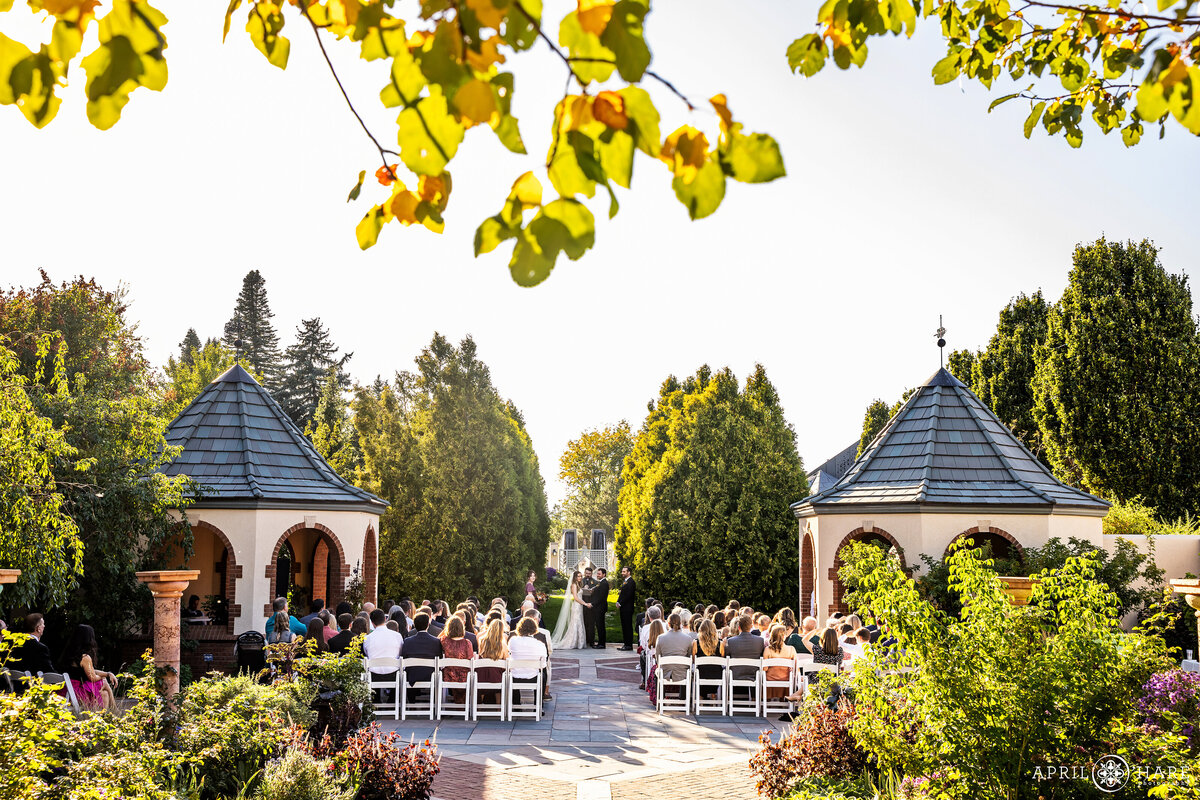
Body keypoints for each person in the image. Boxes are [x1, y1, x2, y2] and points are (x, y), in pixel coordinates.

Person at [61, 624, 117, 711]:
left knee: (104, 693)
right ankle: (114, 711)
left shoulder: (69, 654)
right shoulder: (85, 657)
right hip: (75, 693)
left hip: (66, 691)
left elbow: (91, 670)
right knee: (103, 681)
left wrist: (108, 673)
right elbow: (93, 678)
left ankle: (110, 713)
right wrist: (104, 676)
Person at [399, 612, 443, 703]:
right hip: (430, 675)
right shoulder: (436, 641)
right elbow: (439, 657)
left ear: (414, 625)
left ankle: (411, 702)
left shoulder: (407, 641)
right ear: (428, 624)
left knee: (409, 670)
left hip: (412, 676)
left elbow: (404, 657)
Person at [8, 613, 55, 692]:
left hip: (12, 688)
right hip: (31, 690)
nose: (44, 626)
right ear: (38, 629)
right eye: (43, 624)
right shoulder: (40, 648)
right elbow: (49, 673)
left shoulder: (12, 644)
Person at [508, 617, 549, 707]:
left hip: (515, 676)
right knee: (543, 675)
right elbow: (543, 664)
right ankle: (538, 705)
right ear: (535, 629)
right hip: (533, 677)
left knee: (510, 673)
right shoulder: (539, 644)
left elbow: (509, 654)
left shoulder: (513, 641)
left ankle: (516, 704)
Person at [550, 570, 591, 650]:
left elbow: (579, 593)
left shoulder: (578, 585)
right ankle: (573, 642)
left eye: (581, 576)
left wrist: (585, 588)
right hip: (576, 606)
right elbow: (576, 598)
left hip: (579, 606)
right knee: (576, 623)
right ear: (575, 577)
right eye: (578, 576)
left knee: (579, 622)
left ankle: (578, 642)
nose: (580, 578)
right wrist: (585, 604)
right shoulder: (574, 585)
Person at [722, 613, 766, 685]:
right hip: (754, 675)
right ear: (751, 626)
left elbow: (726, 657)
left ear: (739, 627)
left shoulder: (730, 641)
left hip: (735, 675)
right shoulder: (760, 641)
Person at [440, 616, 474, 704]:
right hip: (464, 677)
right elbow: (471, 660)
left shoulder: (444, 641)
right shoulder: (467, 643)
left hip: (448, 676)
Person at [475, 618, 509, 708]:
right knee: (500, 682)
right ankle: (499, 708)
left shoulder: (482, 641)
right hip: (497, 677)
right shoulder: (503, 644)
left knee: (484, 672)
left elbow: (480, 655)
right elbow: (507, 660)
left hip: (482, 675)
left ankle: (478, 706)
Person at [653, 612, 693, 687]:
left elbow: (658, 656)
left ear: (668, 624)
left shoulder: (661, 638)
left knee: (655, 671)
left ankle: (660, 695)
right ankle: (683, 696)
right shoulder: (688, 638)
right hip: (682, 672)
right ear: (680, 623)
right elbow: (689, 656)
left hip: (665, 671)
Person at [763, 624, 797, 704]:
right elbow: (796, 667)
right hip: (786, 680)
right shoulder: (791, 649)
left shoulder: (767, 649)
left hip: (769, 680)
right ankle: (783, 702)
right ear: (784, 636)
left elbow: (765, 669)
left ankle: (767, 702)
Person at [692, 619, 723, 700]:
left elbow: (693, 660)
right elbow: (722, 659)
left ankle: (700, 698)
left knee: (701, 670)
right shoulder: (721, 643)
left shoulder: (695, 643)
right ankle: (713, 695)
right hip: (717, 675)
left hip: (701, 675)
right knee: (715, 669)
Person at [616, 565, 636, 651]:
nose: (622, 573)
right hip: (623, 608)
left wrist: (620, 602)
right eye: (622, 571)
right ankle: (625, 644)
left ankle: (628, 645)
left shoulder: (631, 582)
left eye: (624, 571)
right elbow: (622, 593)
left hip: (627, 608)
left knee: (627, 626)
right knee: (624, 626)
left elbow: (628, 595)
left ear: (629, 572)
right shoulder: (625, 581)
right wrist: (618, 601)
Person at [591, 567, 610, 649]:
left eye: (599, 574)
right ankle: (600, 643)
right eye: (597, 574)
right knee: (599, 626)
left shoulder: (604, 583)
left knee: (600, 626)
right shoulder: (600, 583)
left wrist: (593, 604)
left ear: (604, 574)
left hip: (600, 608)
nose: (597, 575)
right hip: (598, 607)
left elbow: (601, 598)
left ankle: (602, 644)